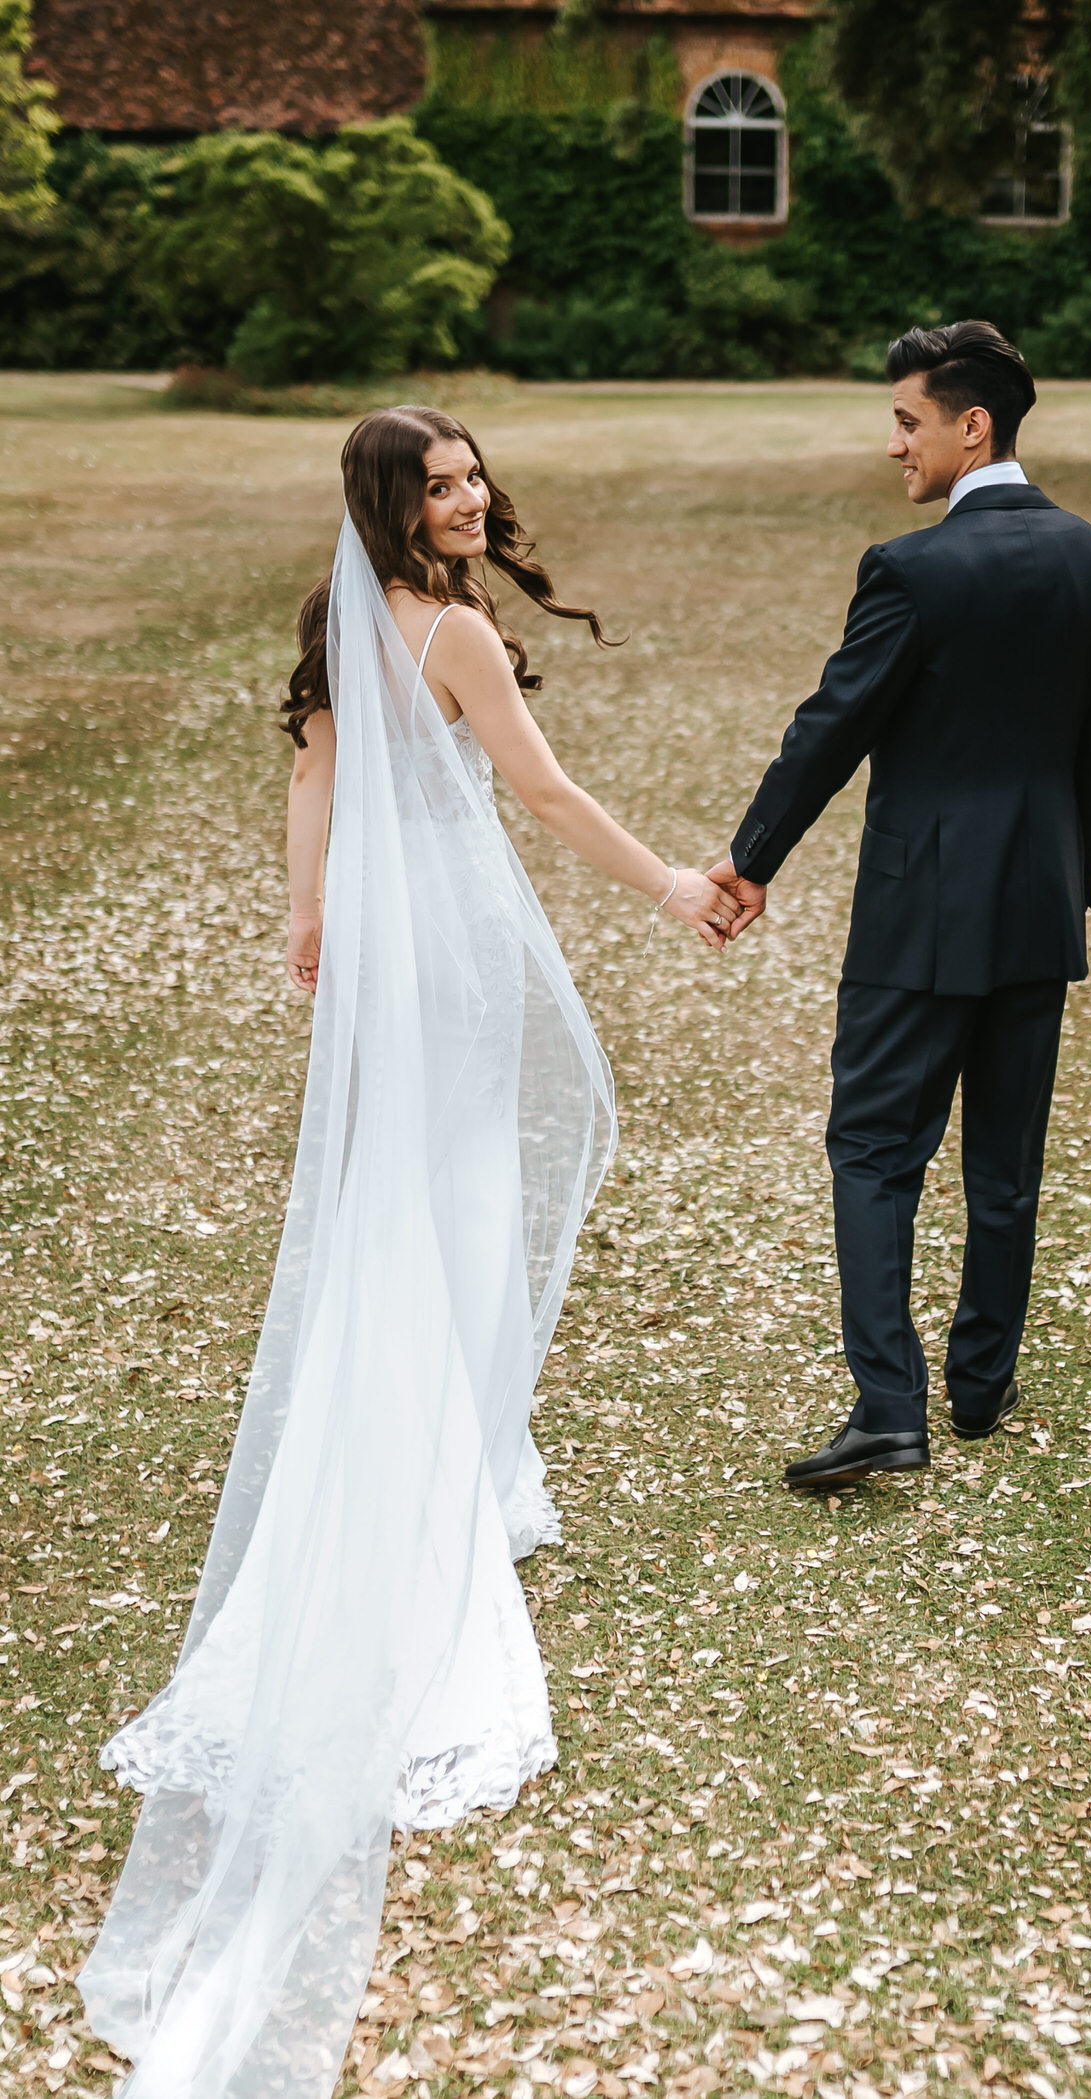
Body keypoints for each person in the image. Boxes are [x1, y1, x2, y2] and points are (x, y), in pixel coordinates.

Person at [79, 406, 735, 2099]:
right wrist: (672, 884)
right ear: (391, 501)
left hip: (380, 938)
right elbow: (546, 792)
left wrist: (309, 915)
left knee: (405, 1199)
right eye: (440, 484)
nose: (471, 497)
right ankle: (447, 1462)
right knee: (451, 1203)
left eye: (472, 475)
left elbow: (311, 778)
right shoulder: (448, 632)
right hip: (442, 943)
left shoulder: (342, 611)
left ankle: (450, 1448)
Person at [710, 320, 1091, 1489]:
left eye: (907, 422)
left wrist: (752, 857)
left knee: (870, 1147)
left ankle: (886, 1407)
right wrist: (1063, 883)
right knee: (1004, 1159)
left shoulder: (911, 570)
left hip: (917, 910)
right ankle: (980, 1386)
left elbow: (831, 727)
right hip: (1036, 905)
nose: (892, 443)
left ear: (971, 426)